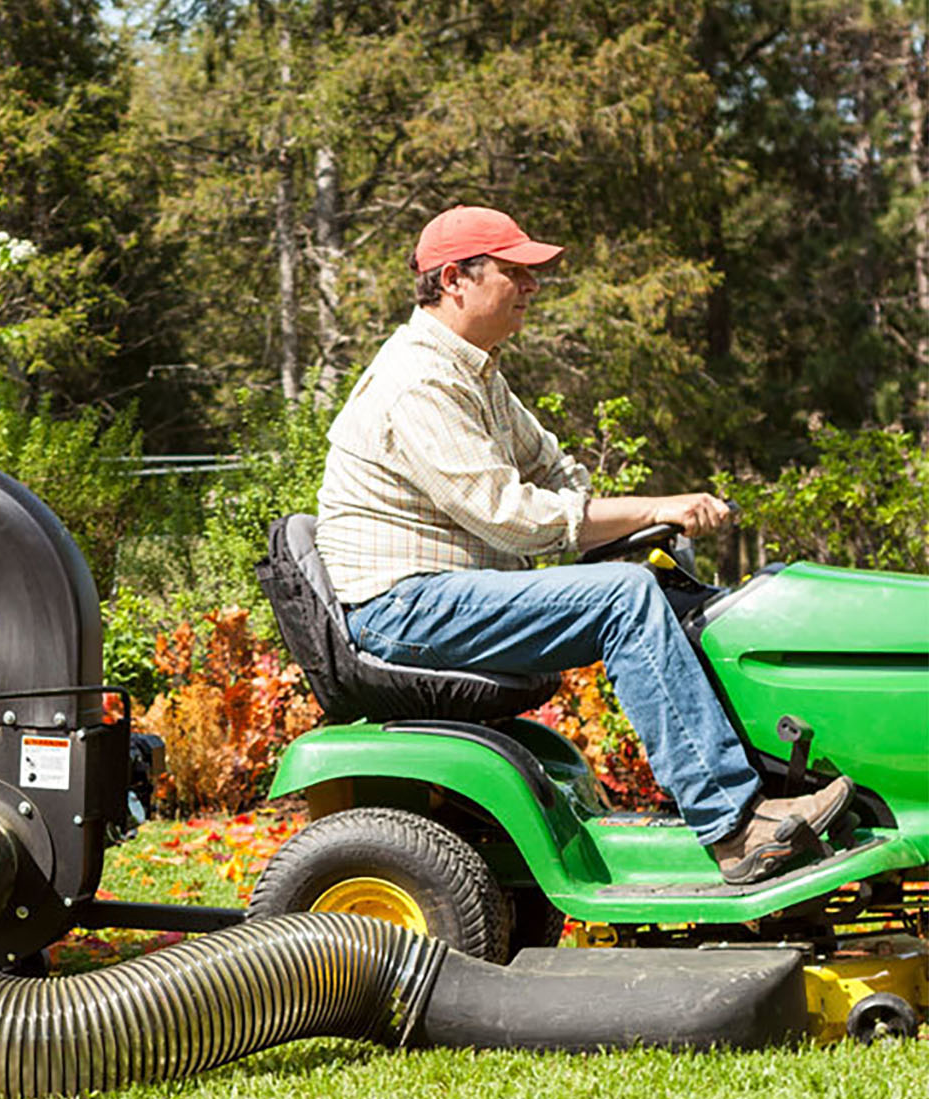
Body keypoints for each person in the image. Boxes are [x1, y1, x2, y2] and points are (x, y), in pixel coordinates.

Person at [316, 204, 852, 884]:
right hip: (404, 608)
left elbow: (554, 471)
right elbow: (508, 514)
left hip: (443, 595)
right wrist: (653, 506)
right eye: (516, 272)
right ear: (454, 279)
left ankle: (774, 788)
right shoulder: (417, 380)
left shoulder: (476, 371)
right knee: (624, 598)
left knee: (663, 588)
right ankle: (734, 827)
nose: (533, 287)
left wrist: (633, 522)